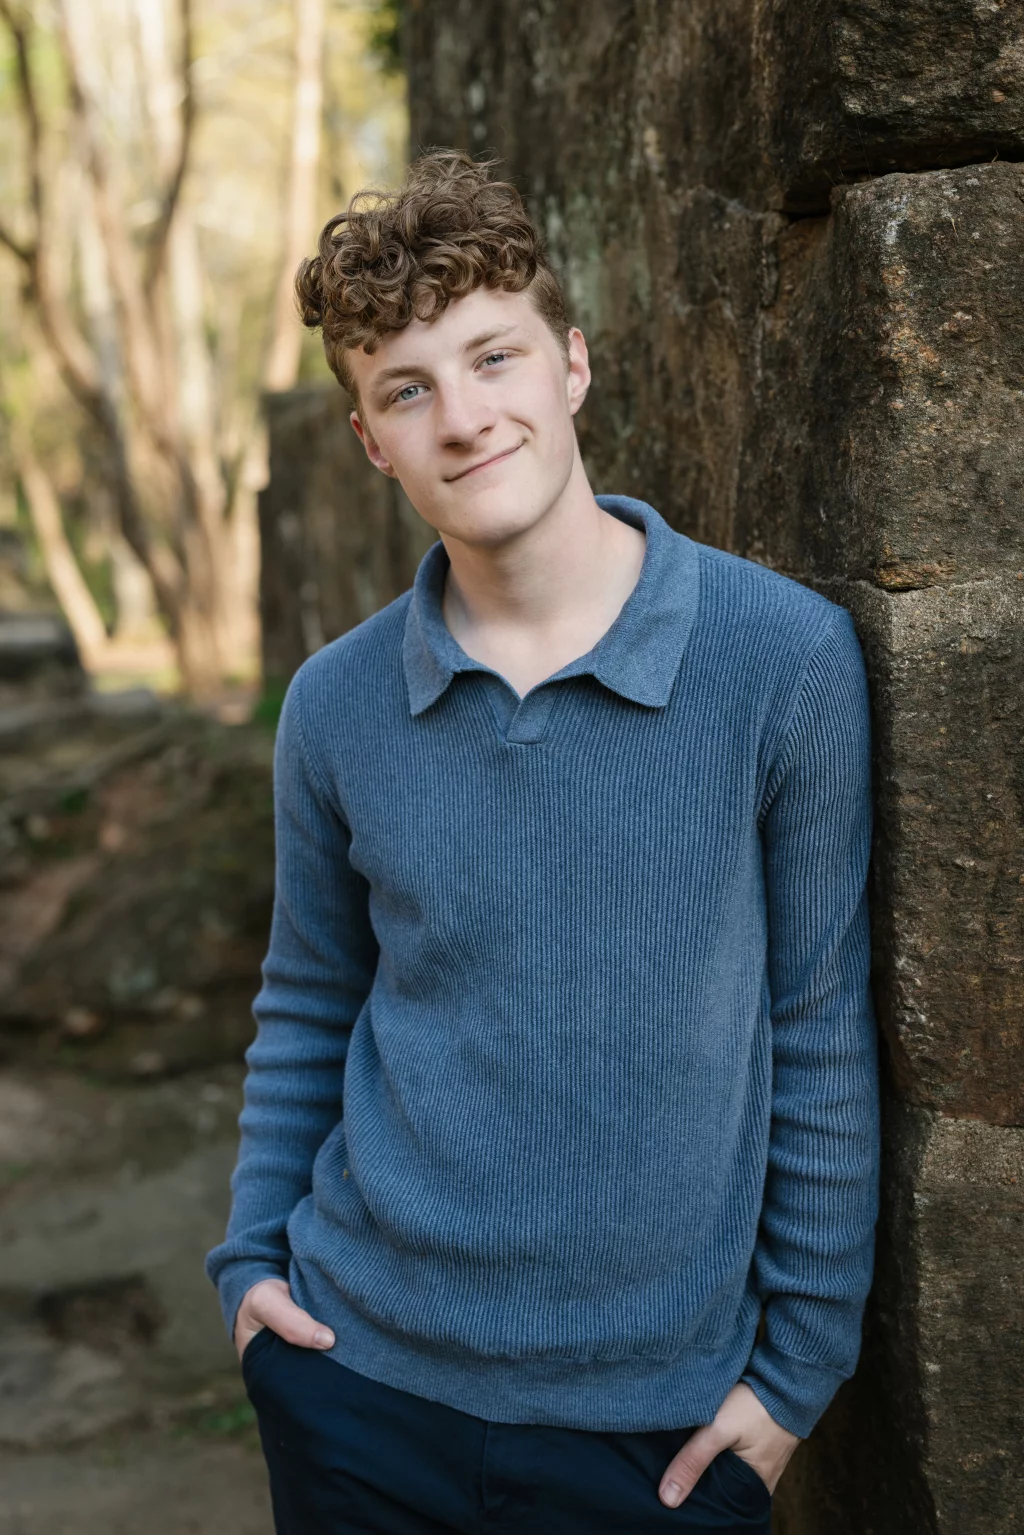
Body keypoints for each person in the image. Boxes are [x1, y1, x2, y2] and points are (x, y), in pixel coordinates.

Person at [205, 148, 880, 1534]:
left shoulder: (783, 660)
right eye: (408, 388)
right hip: (357, 1380)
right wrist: (252, 1272)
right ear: (371, 440)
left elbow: (816, 1019)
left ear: (571, 365)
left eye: (493, 357)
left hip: (660, 1429)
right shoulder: (335, 707)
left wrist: (801, 1364)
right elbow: (309, 998)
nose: (464, 416)